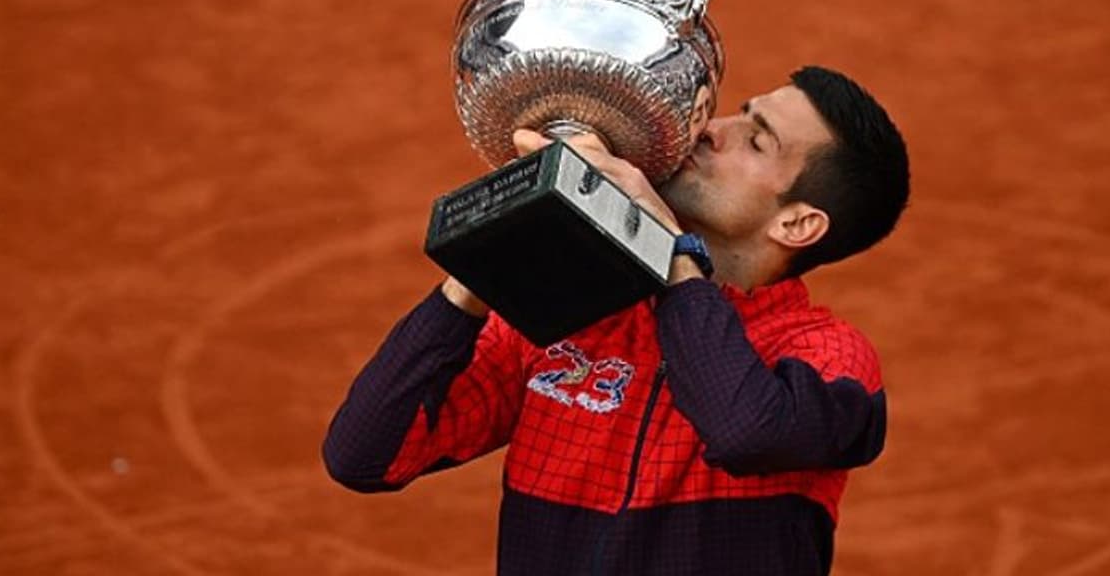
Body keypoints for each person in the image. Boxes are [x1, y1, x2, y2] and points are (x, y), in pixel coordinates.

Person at [322, 65, 910, 575]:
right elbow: (366, 455)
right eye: (738, 113)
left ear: (797, 224)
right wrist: (488, 261)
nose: (709, 129)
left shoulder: (829, 358)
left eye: (756, 142)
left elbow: (742, 428)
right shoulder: (578, 313)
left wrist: (674, 252)